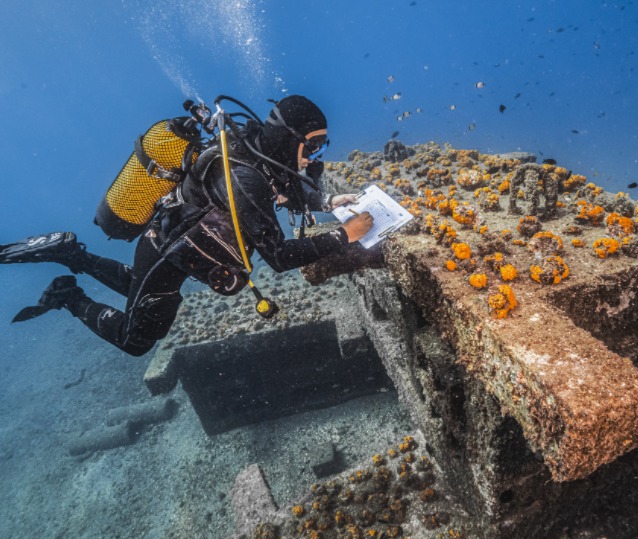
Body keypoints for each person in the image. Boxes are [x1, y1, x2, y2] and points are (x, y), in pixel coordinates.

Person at [0, 95, 373, 356]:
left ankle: (70, 254)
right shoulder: (245, 178)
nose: (314, 158)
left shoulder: (257, 151)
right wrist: (344, 236)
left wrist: (325, 202)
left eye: (321, 147)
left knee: (137, 283)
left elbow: (283, 191)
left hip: (171, 246)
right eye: (313, 147)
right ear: (287, 138)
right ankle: (69, 296)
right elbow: (278, 256)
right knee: (136, 341)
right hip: (166, 251)